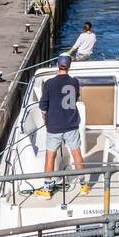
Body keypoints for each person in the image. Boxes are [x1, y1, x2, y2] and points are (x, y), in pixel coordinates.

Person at [38, 55, 87, 194]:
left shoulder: (49, 83)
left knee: (50, 156)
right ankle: (83, 185)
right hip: (71, 123)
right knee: (76, 153)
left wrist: (44, 115)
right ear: (69, 66)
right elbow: (75, 98)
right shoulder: (74, 82)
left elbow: (43, 105)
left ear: (57, 65)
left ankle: (47, 188)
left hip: (54, 126)